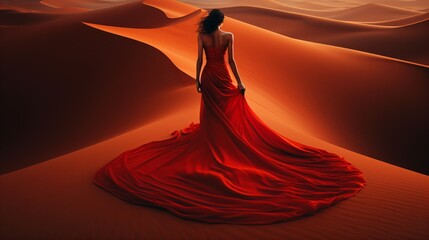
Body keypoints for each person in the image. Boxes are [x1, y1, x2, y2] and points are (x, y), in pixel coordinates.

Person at [92, 9, 366, 225]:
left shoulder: (202, 37)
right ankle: (229, 141)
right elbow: (232, 61)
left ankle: (217, 141)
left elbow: (199, 60)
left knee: (212, 115)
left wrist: (198, 80)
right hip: (223, 76)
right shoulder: (229, 36)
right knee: (227, 111)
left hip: (210, 77)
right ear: (222, 21)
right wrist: (240, 82)